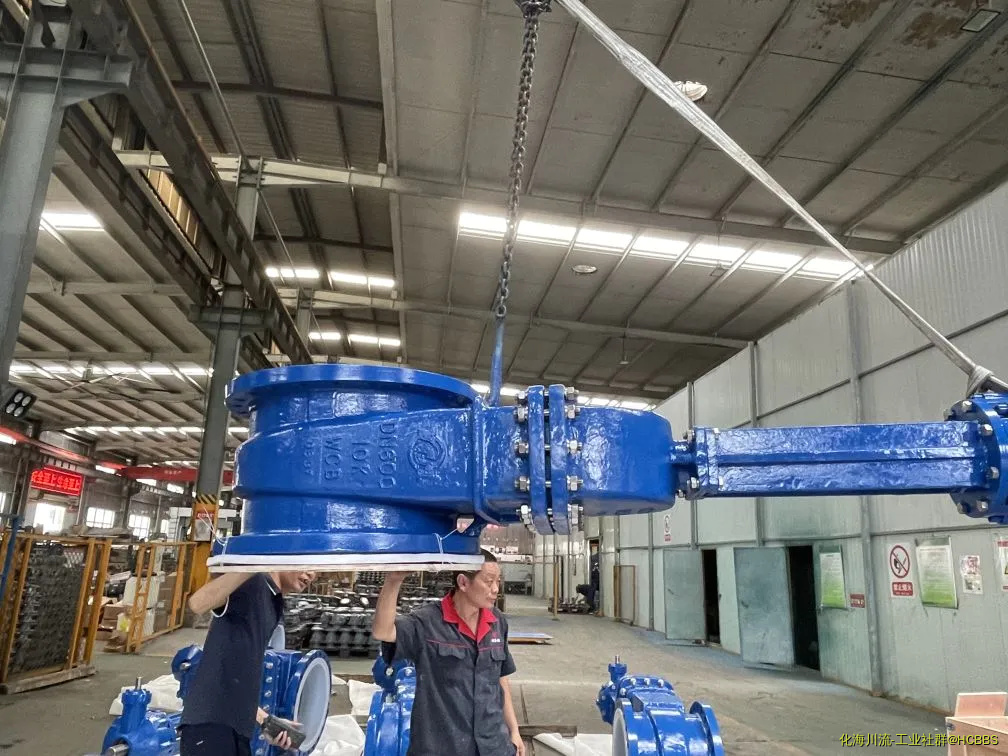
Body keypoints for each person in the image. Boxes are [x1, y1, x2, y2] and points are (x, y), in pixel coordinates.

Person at [372, 550, 524, 756]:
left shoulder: (497, 621)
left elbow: (500, 678)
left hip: (493, 746)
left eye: (498, 581)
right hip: (442, 747)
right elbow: (383, 631)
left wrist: (514, 730)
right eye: (489, 582)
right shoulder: (428, 623)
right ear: (463, 582)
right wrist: (393, 580)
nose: (496, 589)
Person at [178, 570, 315, 755]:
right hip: (212, 726)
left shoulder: (273, 599)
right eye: (307, 564)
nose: (311, 574)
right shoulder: (252, 582)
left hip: (237, 730)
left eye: (316, 569)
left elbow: (238, 675)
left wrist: (266, 721)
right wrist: (254, 563)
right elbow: (197, 603)